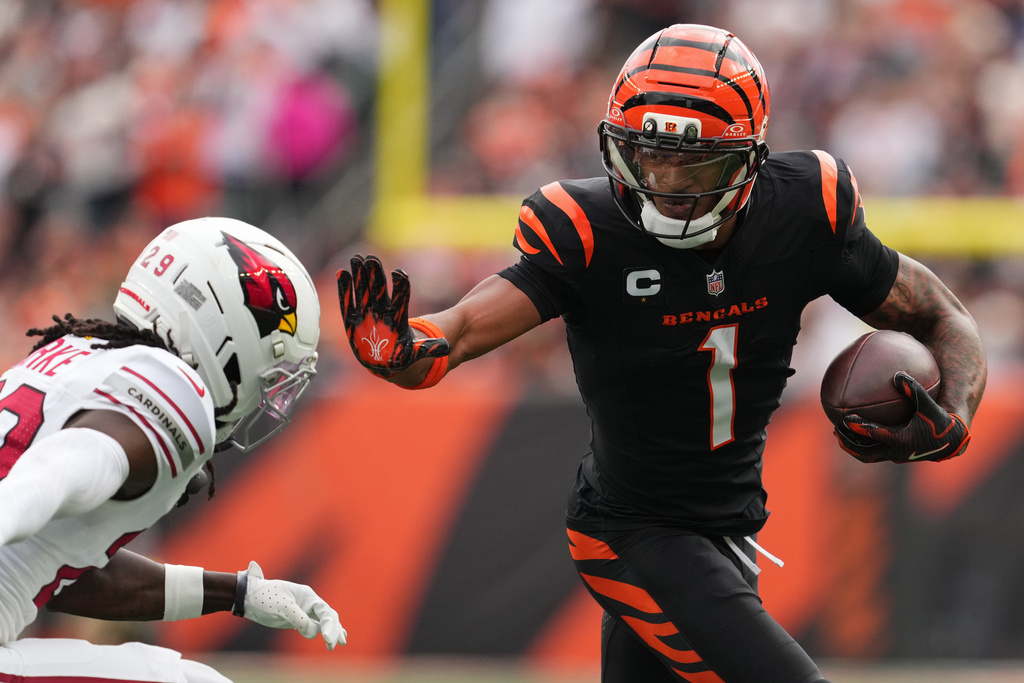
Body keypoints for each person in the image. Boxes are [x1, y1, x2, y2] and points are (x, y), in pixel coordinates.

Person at [336, 24, 987, 683]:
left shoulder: (803, 213)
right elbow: (459, 334)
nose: (670, 182)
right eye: (649, 157)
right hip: (629, 533)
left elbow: (943, 316)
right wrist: (398, 348)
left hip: (728, 533)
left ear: (750, 159)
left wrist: (956, 407)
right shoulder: (588, 234)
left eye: (695, 162)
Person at [0, 217, 344, 683]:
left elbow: (60, 573)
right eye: (274, 362)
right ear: (225, 331)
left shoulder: (80, 352)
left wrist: (238, 593)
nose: (270, 391)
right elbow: (60, 471)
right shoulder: (174, 390)